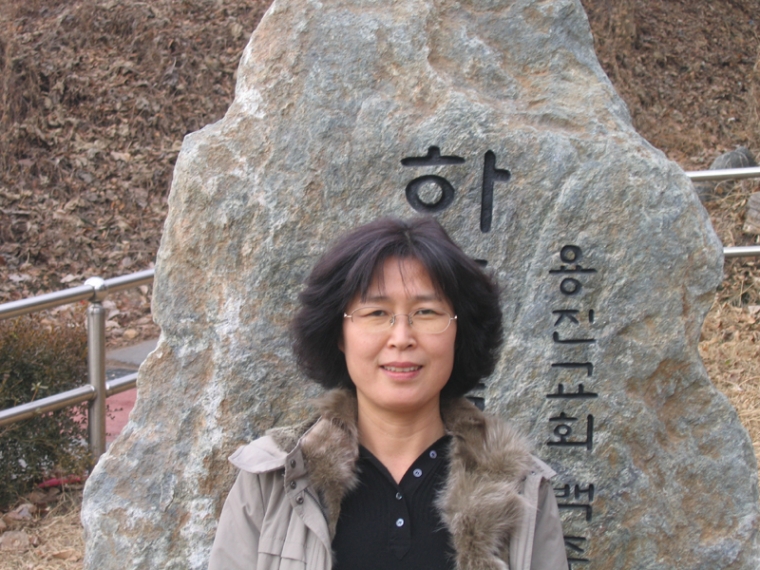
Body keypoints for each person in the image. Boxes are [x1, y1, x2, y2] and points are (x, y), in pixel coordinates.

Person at [208, 216, 567, 570]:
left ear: (459, 334)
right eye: (377, 313)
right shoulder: (273, 479)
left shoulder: (520, 488)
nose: (401, 338)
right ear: (339, 335)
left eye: (426, 312)